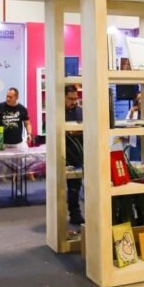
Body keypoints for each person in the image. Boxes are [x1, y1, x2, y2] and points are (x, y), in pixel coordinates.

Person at [0, 87, 32, 199]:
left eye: (10, 97)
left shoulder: (22, 109)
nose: (8, 98)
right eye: (7, 96)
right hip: (3, 143)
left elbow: (27, 123)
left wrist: (29, 134)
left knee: (20, 168)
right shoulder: (0, 107)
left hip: (17, 143)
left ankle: (19, 190)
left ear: (16, 97)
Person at [64, 85, 84, 226]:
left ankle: (75, 214)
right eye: (70, 99)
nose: (74, 102)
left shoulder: (81, 111)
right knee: (65, 188)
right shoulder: (57, 112)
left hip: (79, 154)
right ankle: (72, 213)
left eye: (75, 98)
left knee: (75, 187)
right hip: (62, 153)